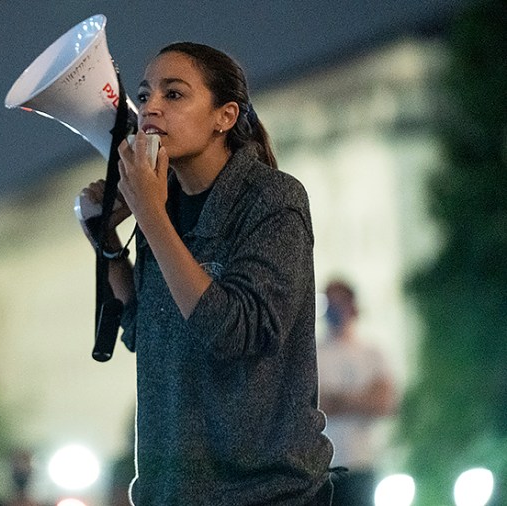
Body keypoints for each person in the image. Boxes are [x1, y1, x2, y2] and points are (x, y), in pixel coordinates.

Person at [78, 42, 334, 505]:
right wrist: (109, 241)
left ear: (226, 116)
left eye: (173, 95)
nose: (149, 107)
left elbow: (235, 333)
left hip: (264, 495)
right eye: (145, 93)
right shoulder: (164, 202)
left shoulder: (272, 200)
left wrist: (150, 217)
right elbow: (146, 331)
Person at [317, 280, 398, 506]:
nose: (333, 309)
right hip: (323, 470)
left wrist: (337, 400)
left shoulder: (373, 354)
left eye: (338, 302)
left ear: (352, 306)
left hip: (362, 465)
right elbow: (314, 405)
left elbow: (384, 403)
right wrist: (362, 397)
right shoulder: (314, 354)